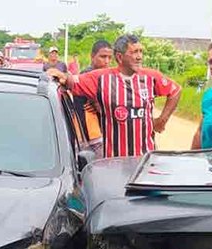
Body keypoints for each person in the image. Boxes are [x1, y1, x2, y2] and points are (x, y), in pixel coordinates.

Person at [47, 34, 182, 158]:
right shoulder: (101, 78)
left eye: (141, 51)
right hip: (113, 162)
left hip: (144, 161)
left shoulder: (151, 77)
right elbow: (71, 81)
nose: (139, 56)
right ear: (119, 57)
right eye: (134, 52)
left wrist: (162, 120)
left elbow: (175, 91)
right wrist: (60, 75)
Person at [73, 40, 114, 156]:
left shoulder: (107, 76)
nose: (107, 61)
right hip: (91, 136)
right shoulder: (87, 76)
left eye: (109, 58)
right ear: (92, 56)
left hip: (101, 132)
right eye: (103, 57)